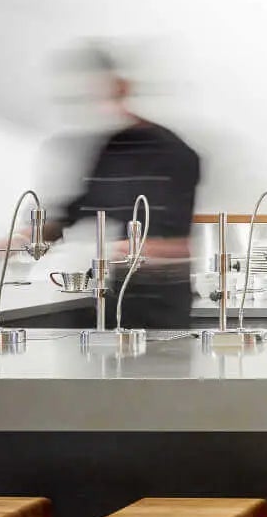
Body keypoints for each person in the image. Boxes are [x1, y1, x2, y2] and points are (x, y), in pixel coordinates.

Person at [41, 45, 201, 330]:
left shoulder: (174, 153)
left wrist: (121, 250)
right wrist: (23, 238)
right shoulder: (108, 150)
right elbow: (75, 210)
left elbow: (179, 246)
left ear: (122, 89)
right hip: (114, 303)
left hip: (160, 310)